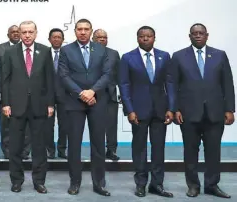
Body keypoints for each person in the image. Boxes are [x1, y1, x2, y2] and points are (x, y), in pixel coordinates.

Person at [169, 23, 234, 199]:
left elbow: (227, 83)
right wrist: (175, 109)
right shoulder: (178, 56)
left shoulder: (219, 55)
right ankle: (193, 185)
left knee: (214, 151)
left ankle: (212, 185)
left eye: (201, 33)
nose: (198, 36)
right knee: (190, 151)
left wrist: (230, 109)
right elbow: (173, 85)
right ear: (189, 36)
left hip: (215, 112)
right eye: (194, 33)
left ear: (207, 35)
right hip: (188, 113)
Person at [57, 19, 113, 196]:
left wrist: (92, 91)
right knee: (74, 144)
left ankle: (99, 183)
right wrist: (82, 93)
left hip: (98, 101)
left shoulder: (102, 50)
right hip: (74, 102)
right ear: (75, 31)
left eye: (86, 29)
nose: (82, 32)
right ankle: (75, 183)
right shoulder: (66, 50)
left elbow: (107, 74)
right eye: (79, 29)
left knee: (98, 144)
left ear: (91, 31)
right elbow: (63, 75)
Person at [118, 26, 174, 198]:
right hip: (138, 111)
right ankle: (141, 184)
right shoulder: (127, 58)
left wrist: (171, 108)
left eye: (149, 36)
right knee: (139, 148)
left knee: (159, 149)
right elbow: (124, 85)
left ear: (154, 38)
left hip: (160, 110)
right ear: (137, 38)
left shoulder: (164, 56)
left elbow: (170, 84)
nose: (145, 39)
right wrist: (129, 110)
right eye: (142, 36)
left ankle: (157, 184)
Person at [1, 21, 54, 194]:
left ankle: (39, 181)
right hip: (16, 106)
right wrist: (6, 103)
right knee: (15, 146)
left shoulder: (45, 51)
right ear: (20, 33)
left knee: (39, 146)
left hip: (39, 106)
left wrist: (50, 104)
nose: (27, 35)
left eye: (30, 32)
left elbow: (50, 80)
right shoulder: (10, 52)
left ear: (36, 33)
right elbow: (5, 80)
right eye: (24, 32)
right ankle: (16, 180)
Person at [0, 25, 30, 159]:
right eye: (13, 32)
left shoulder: (26, 49)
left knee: (26, 125)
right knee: (6, 125)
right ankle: (8, 152)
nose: (15, 34)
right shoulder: (0, 48)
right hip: (6, 92)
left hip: (25, 93)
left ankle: (25, 151)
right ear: (8, 34)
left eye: (17, 32)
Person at [92, 29, 121, 161]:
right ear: (93, 39)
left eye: (105, 37)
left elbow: (120, 74)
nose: (102, 39)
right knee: (96, 125)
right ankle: (97, 151)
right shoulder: (87, 53)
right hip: (93, 94)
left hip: (110, 94)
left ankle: (111, 150)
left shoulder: (114, 54)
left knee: (111, 124)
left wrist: (121, 93)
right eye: (99, 37)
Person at [47, 28, 68, 159]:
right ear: (49, 39)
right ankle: (50, 150)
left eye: (59, 37)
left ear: (63, 39)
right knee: (47, 125)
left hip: (65, 94)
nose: (56, 39)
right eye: (54, 37)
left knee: (64, 125)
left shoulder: (68, 53)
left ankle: (62, 149)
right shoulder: (43, 53)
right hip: (47, 95)